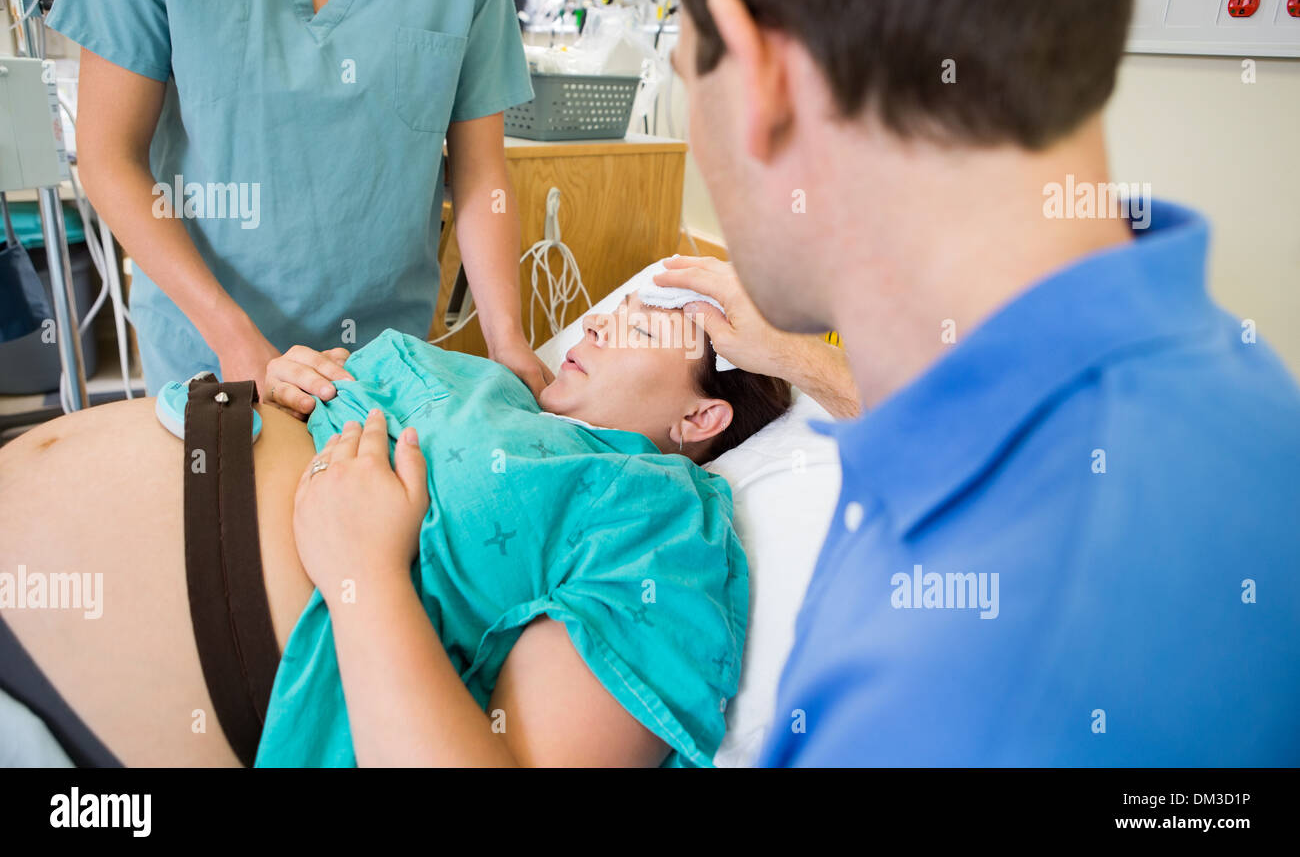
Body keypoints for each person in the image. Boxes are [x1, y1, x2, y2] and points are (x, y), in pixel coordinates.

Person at [652, 0, 1300, 764]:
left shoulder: (942, 705)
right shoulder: (1230, 379)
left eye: (686, 73)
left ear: (762, 72)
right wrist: (798, 358)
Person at [0, 297, 791, 767]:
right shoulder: (490, 389)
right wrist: (283, 393)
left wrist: (365, 577)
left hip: (67, 711)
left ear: (702, 416)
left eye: (647, 328)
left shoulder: (664, 526)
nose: (605, 320)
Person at [48, 0, 552, 400]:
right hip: (208, 354)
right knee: (225, 480)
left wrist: (505, 338)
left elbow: (482, 176)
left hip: (377, 370)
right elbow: (109, 157)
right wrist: (233, 336)